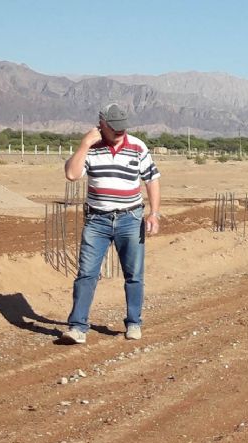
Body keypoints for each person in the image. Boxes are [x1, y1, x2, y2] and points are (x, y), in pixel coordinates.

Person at [59, 103, 161, 344]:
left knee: (134, 274)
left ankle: (134, 323)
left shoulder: (137, 146)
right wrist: (84, 144)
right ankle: (77, 327)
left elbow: (152, 180)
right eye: (114, 128)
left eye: (123, 128)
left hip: (131, 218)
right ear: (101, 124)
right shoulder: (91, 147)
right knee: (86, 274)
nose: (119, 133)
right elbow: (72, 174)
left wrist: (154, 214)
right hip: (97, 221)